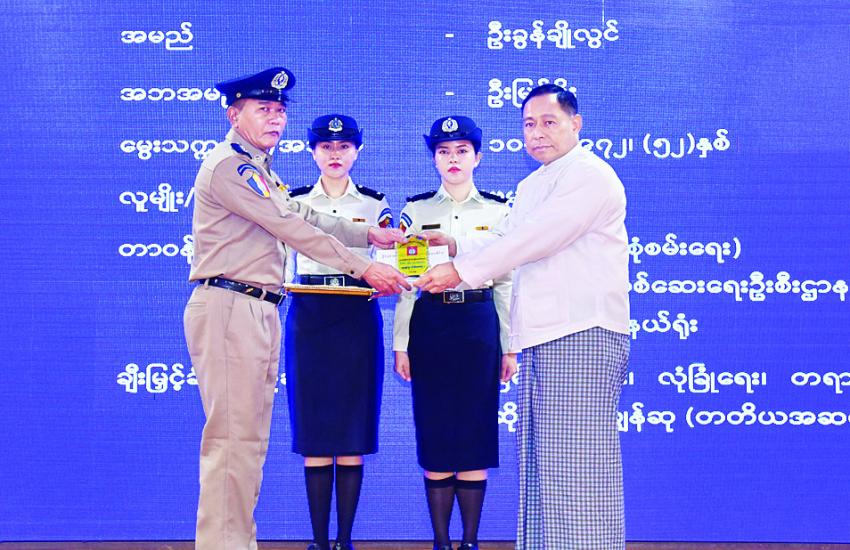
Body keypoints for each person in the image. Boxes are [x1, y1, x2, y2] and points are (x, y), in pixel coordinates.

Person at [183, 67, 409, 550]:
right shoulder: (231, 167)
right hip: (230, 305)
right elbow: (292, 228)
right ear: (234, 115)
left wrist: (368, 233)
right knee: (231, 443)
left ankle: (238, 542)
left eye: (281, 111)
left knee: (247, 443)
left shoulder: (259, 168)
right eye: (264, 109)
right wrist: (363, 267)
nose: (276, 119)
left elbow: (304, 213)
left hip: (257, 307)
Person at [415, 86, 631, 550]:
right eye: (529, 124)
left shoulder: (590, 176)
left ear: (576, 124)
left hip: (582, 333)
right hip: (545, 337)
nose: (537, 133)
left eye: (549, 122)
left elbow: (535, 240)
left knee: (578, 468)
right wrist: (453, 245)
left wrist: (461, 270)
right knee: (543, 467)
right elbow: (507, 235)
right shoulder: (535, 184)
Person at [393, 116, 518, 550]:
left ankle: (470, 542)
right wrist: (401, 343)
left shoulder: (499, 211)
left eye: (462, 151)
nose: (453, 159)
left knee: (474, 430)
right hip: (431, 324)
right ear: (433, 159)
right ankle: (441, 542)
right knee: (436, 429)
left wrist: (509, 347)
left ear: (477, 157)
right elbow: (407, 282)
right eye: (444, 151)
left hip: (478, 324)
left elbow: (506, 281)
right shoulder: (416, 211)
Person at [284, 114, 393, 550]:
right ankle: (318, 542)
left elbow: (391, 260)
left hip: (356, 314)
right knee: (314, 432)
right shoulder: (291, 201)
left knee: (351, 431)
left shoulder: (375, 204)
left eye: (344, 146)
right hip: (309, 314)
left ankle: (345, 541)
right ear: (312, 151)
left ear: (357, 151)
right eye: (326, 147)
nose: (335, 154)